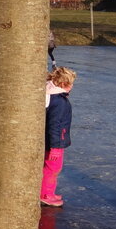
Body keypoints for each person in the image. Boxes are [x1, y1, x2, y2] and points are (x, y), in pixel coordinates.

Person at [40, 66, 77, 207]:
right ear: (63, 84)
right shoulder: (59, 102)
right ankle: (45, 194)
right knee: (53, 168)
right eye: (70, 84)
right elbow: (55, 125)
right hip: (55, 142)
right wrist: (55, 146)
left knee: (51, 167)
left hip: (51, 140)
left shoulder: (50, 95)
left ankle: (48, 192)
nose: (72, 87)